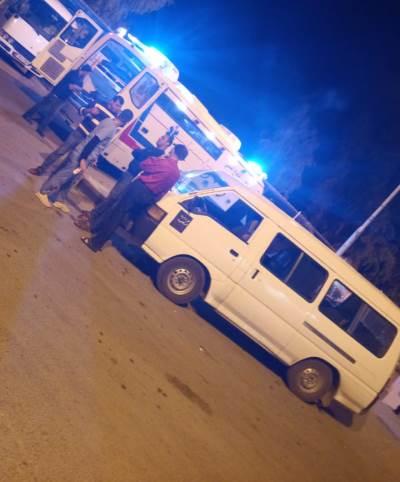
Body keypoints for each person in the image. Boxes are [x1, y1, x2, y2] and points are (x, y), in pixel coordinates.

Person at [79, 144, 189, 252]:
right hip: (149, 196)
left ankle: (96, 242)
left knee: (116, 214)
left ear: (174, 151)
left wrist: (157, 158)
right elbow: (164, 190)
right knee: (121, 217)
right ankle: (98, 233)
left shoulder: (163, 162)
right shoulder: (176, 174)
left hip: (138, 189)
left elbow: (144, 165)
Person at [35, 109, 134, 214]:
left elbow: (97, 144)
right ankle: (43, 192)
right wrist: (83, 159)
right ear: (125, 121)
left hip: (86, 156)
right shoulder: (111, 128)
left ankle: (59, 199)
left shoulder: (108, 121)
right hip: (81, 155)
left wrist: (93, 158)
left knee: (72, 179)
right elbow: (94, 141)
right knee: (64, 175)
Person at [77, 128, 178, 226]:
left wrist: (139, 152)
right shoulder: (152, 149)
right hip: (129, 173)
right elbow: (136, 153)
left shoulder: (158, 154)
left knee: (114, 198)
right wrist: (139, 153)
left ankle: (93, 218)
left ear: (167, 144)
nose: (160, 138)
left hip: (132, 176)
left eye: (163, 138)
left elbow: (139, 154)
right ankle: (94, 215)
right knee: (113, 197)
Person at [28, 95, 125, 176]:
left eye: (119, 107)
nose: (117, 108)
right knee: (60, 151)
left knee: (70, 160)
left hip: (87, 141)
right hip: (78, 133)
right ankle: (41, 169)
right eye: (116, 105)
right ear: (111, 101)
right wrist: (89, 110)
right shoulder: (98, 103)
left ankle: (54, 177)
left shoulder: (114, 118)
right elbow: (81, 110)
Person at [23, 64, 92, 137]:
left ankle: (41, 128)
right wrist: (76, 87)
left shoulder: (81, 80)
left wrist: (77, 88)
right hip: (57, 93)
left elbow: (78, 89)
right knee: (42, 105)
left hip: (63, 98)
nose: (87, 75)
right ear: (85, 71)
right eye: (87, 73)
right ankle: (27, 115)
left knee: (52, 113)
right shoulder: (73, 74)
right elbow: (71, 86)